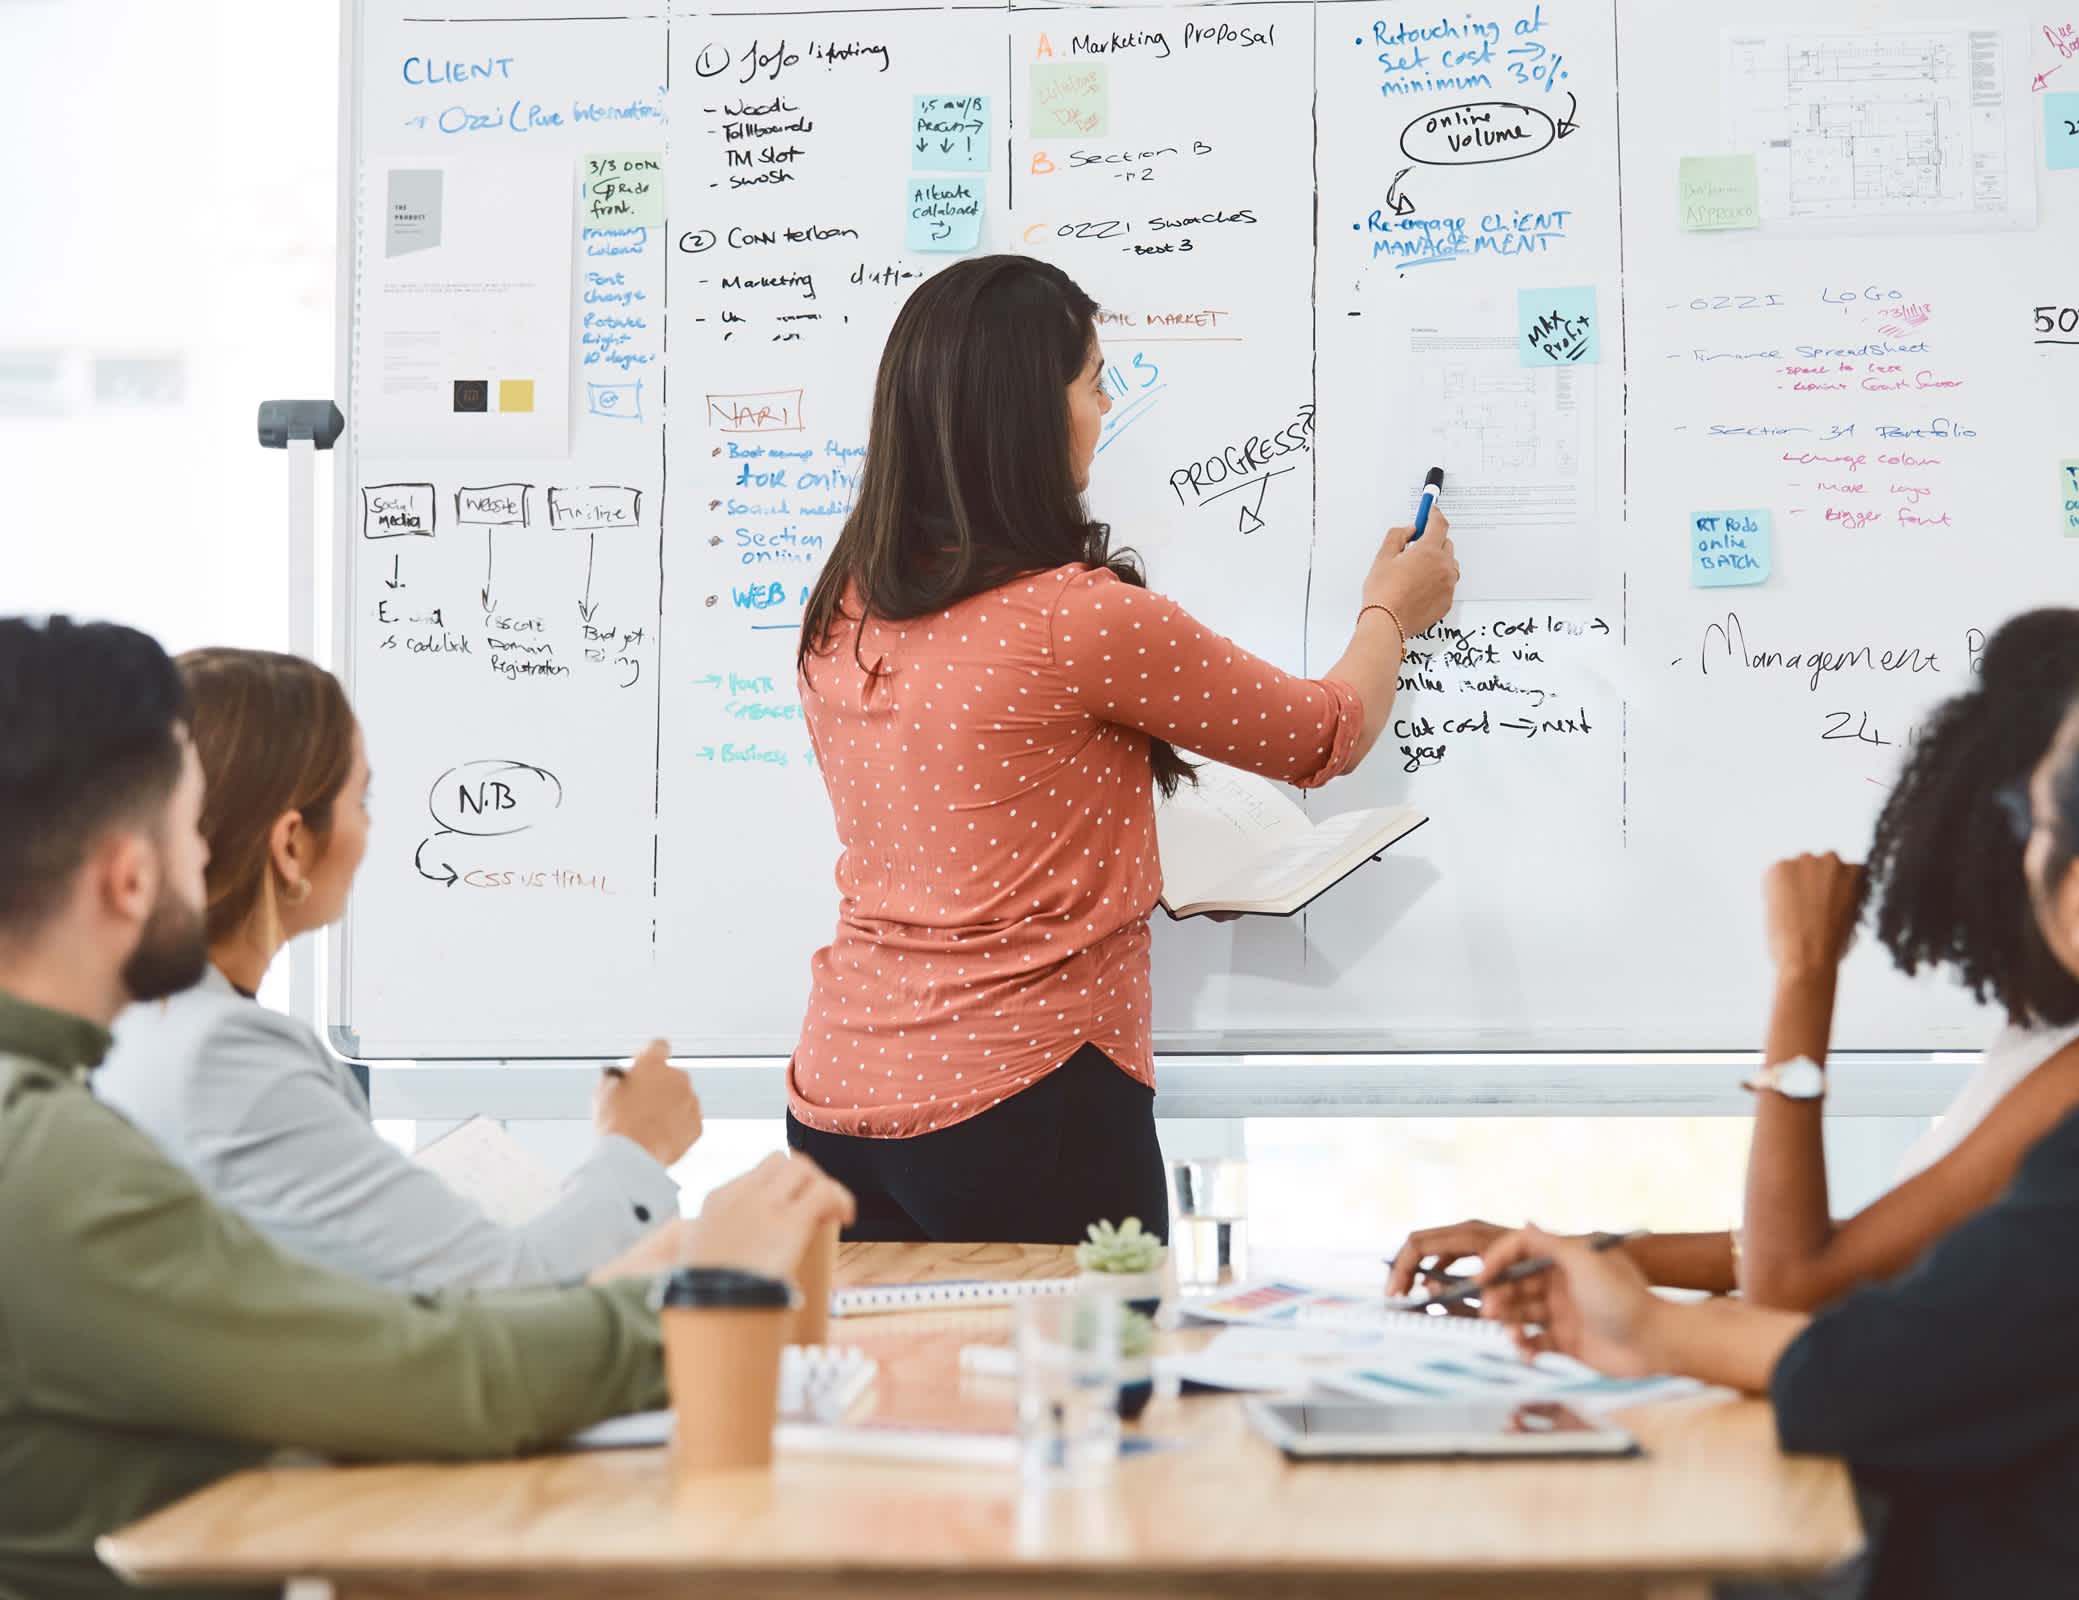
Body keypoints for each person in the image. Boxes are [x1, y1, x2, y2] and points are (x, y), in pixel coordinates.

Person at [1479, 652, 2079, 1600]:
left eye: (2028, 824)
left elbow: (1867, 1375)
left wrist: (1644, 1329)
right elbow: (1939, 1332)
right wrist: (1637, 1299)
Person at [0, 615, 855, 1600]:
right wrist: (713, 1282)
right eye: (186, 829)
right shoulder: (52, 1158)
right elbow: (447, 1371)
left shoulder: (65, 1109)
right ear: (131, 874)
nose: (205, 859)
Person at [786, 254, 1460, 1244]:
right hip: (1024, 1100)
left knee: (914, 1394)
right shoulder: (1078, 621)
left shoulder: (844, 604)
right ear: (1031, 413)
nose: (1105, 411)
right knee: (1097, 1389)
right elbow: (1322, 734)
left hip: (839, 1103)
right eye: (1095, 384)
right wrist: (1390, 613)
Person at [1389, 608, 2079, 1308]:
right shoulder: (2048, 1041)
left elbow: (1790, 1282)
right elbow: (1849, 1249)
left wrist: (1805, 975)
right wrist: (1567, 1253)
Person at [98, 647, 703, 1292]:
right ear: (292, 845)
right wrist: (636, 1146)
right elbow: (505, 1290)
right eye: (362, 799)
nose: (370, 829)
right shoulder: (229, 1057)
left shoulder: (135, 1019)